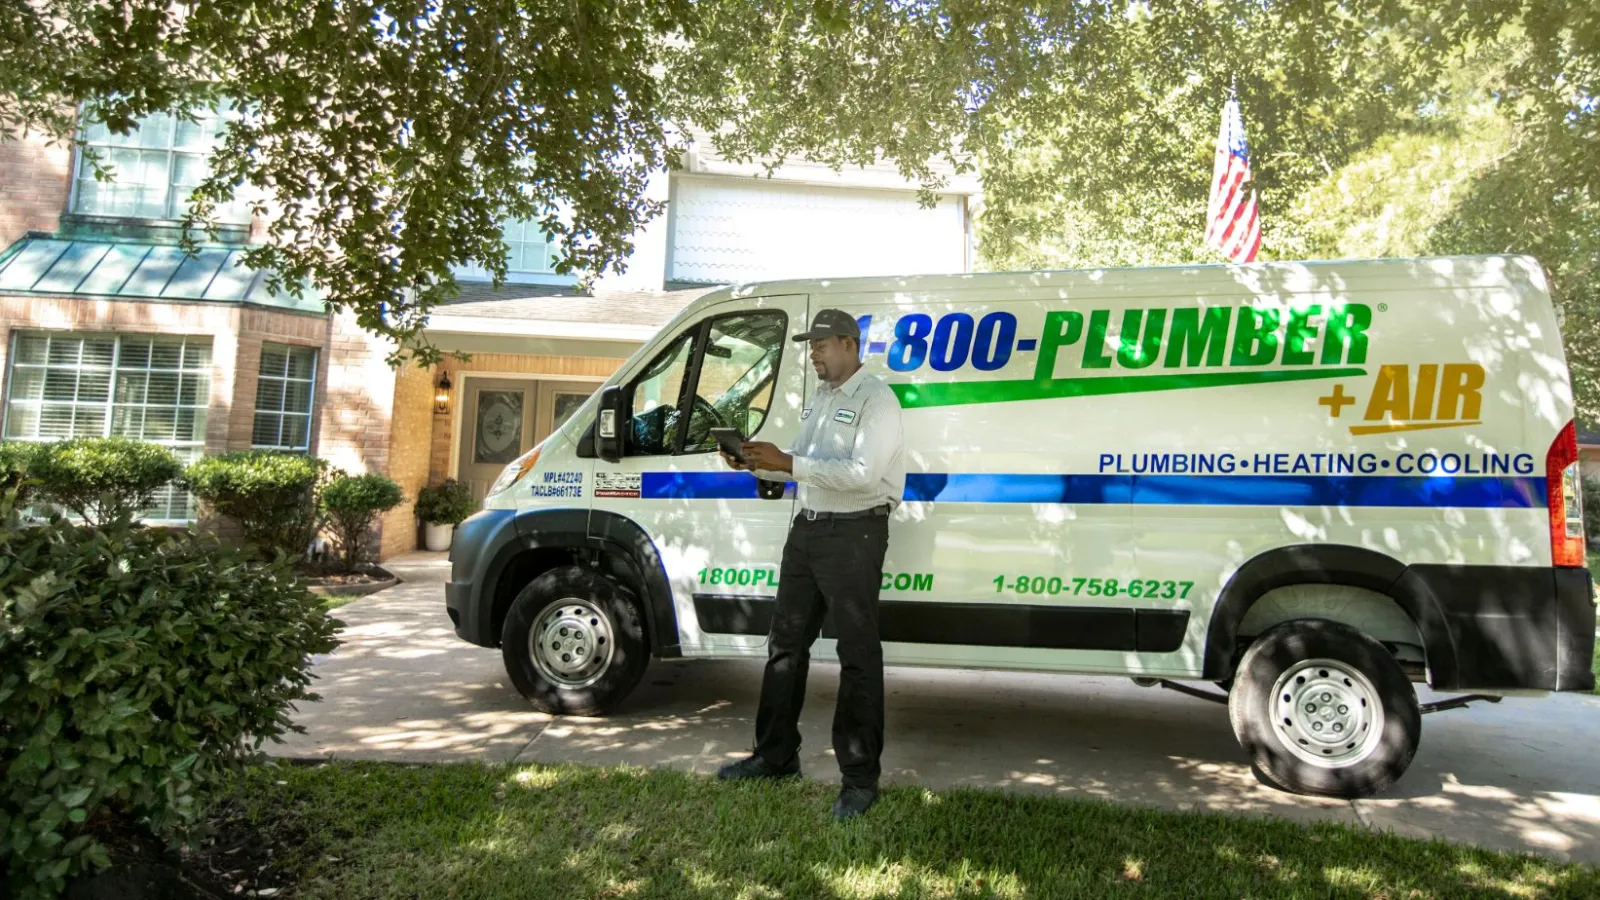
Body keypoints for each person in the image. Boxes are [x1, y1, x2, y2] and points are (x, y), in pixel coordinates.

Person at [715, 308, 907, 821]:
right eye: (811, 346)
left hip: (854, 533)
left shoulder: (877, 400)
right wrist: (761, 463)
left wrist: (790, 463)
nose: (813, 353)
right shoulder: (821, 400)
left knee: (857, 655)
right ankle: (775, 756)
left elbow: (864, 475)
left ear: (848, 343)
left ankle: (860, 780)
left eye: (820, 344)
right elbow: (805, 466)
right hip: (808, 530)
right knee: (785, 646)